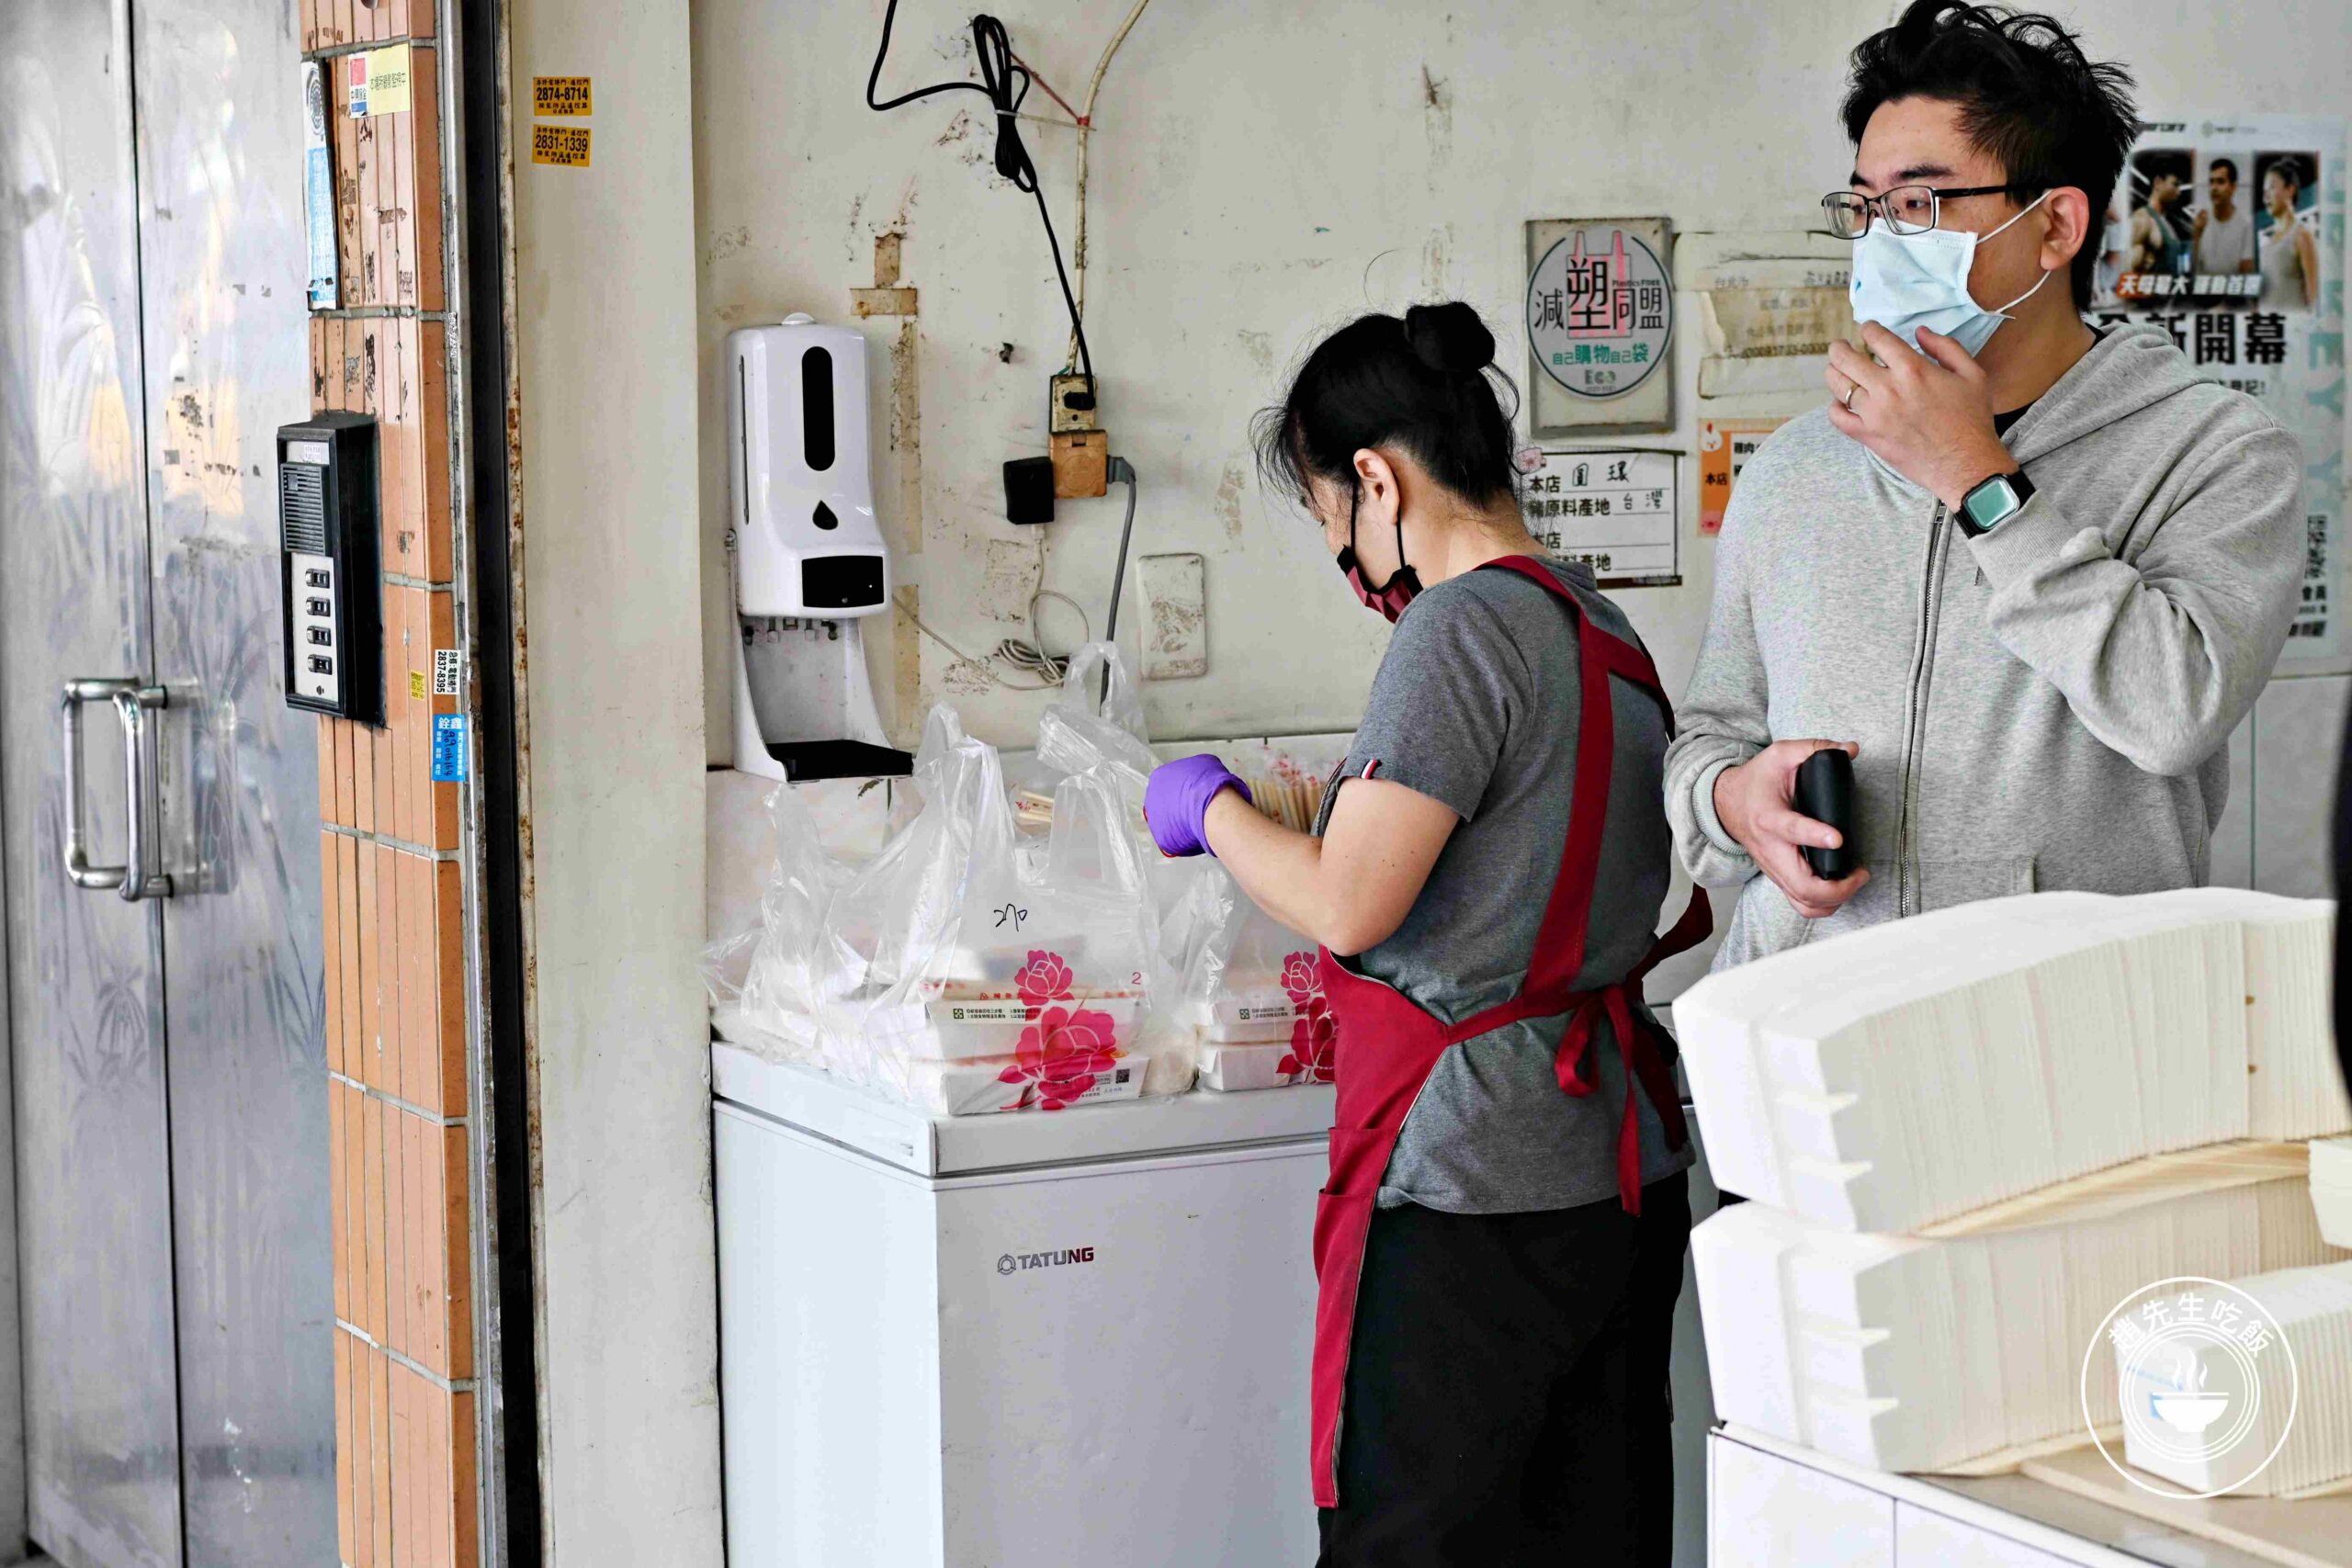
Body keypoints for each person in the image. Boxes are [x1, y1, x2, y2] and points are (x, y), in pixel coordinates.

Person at [1144, 302, 1706, 1565]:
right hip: (1616, 1170)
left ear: (1377, 480)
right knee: (1593, 1532)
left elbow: (1353, 901)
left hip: (1468, 1183)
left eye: (1330, 515)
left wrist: (1211, 811)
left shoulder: (1455, 630)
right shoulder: (1599, 622)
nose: (1344, 551)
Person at [1666, 1, 2302, 971]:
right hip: (1813, 1026)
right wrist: (1727, 798)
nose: (1880, 239)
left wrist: (1975, 478)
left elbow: (2173, 712)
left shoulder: (2217, 454)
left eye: (1919, 204)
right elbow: (1710, 734)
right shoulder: (1799, 464)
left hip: (2069, 1043)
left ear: (2054, 226)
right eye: (1865, 206)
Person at [2259, 158, 2319, 310]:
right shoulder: (2266, 245)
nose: (2266, 196)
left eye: (2271, 188)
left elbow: (2314, 297)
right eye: (2264, 191)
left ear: (2290, 190)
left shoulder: (2302, 236)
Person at [2192, 157, 2257, 276]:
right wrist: (2197, 234)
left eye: (2220, 182)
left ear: (2233, 187)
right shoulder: (2200, 221)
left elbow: (2246, 272)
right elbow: (2191, 269)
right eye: (2211, 182)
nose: (2214, 188)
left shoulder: (2246, 224)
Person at [2130, 165, 2188, 275]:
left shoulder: (2168, 225)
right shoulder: (2142, 219)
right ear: (2158, 183)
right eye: (2175, 184)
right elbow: (2128, 271)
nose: (2178, 192)